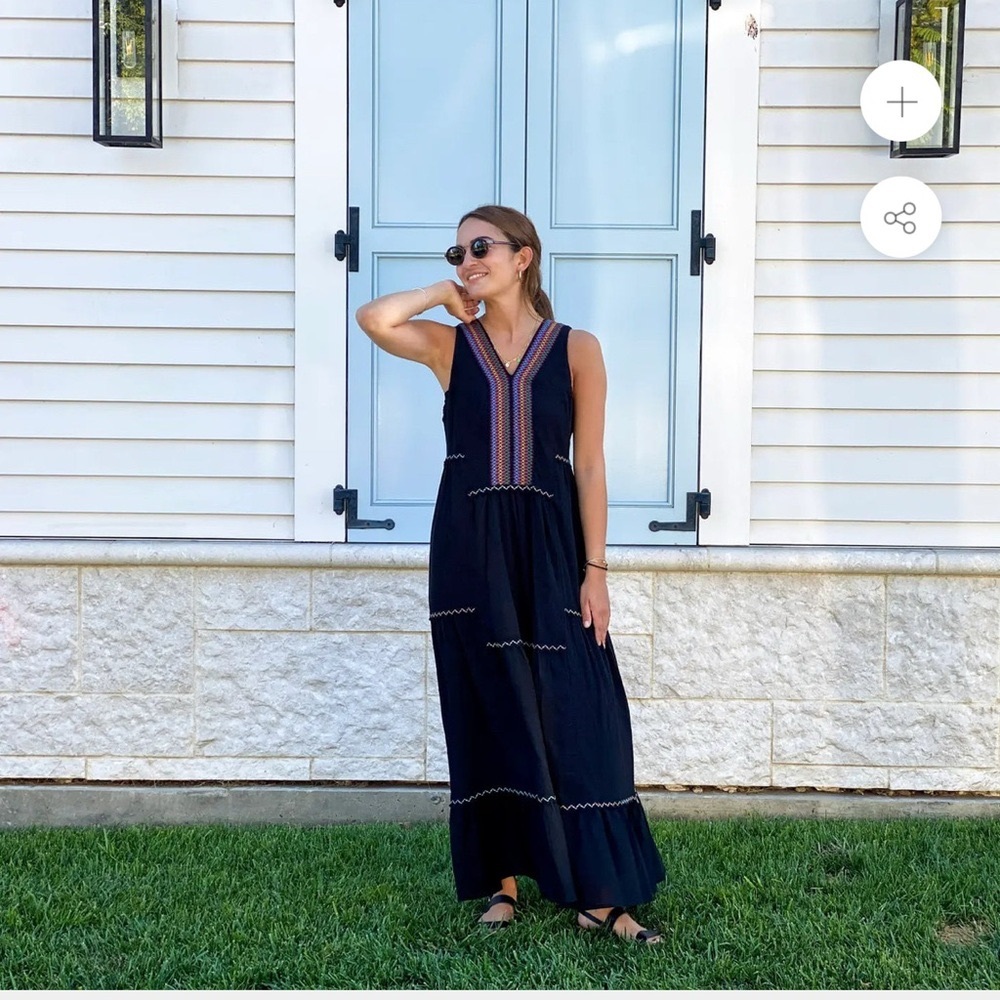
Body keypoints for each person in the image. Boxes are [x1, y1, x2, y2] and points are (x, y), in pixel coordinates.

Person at [356, 205, 666, 944]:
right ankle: (502, 887)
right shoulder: (449, 348)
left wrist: (596, 571)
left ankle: (603, 896)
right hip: (469, 544)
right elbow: (375, 317)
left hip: (555, 546)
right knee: (486, 705)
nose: (469, 259)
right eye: (459, 250)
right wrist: (442, 289)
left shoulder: (577, 348)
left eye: (482, 247)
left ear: (523, 257)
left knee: (582, 711)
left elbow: (588, 465)